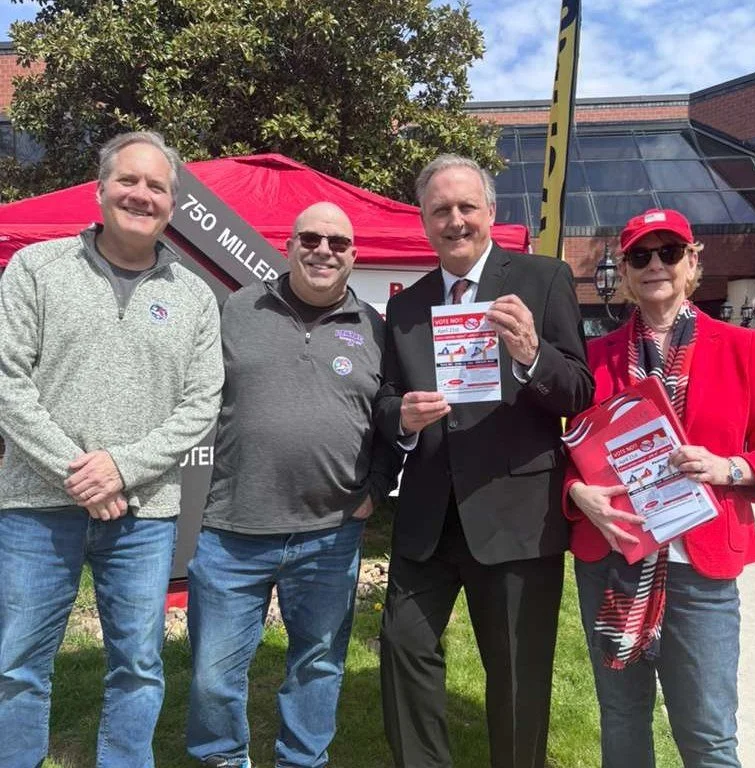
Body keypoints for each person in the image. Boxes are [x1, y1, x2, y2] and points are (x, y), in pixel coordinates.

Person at [0, 131, 224, 768]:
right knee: (18, 663)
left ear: (173, 203)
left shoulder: (195, 297)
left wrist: (120, 468)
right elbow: (5, 380)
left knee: (139, 665)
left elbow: (200, 405)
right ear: (100, 190)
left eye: (157, 186)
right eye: (129, 181)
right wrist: (78, 472)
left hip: (144, 513)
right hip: (35, 504)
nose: (141, 195)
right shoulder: (36, 269)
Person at [376, 154, 594, 768]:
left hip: (515, 512)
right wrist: (404, 418)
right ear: (424, 221)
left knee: (519, 673)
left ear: (491, 213)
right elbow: (386, 401)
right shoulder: (408, 306)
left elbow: (578, 389)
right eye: (440, 209)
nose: (455, 220)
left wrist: (531, 355)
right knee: (402, 644)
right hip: (428, 517)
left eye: (466, 206)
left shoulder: (543, 279)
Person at [186, 202, 400, 768]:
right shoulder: (239, 308)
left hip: (329, 537)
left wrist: (378, 486)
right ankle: (221, 759)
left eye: (338, 242)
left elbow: (389, 418)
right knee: (212, 672)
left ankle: (302, 761)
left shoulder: (374, 329)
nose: (323, 250)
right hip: (233, 529)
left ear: (354, 255)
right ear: (289, 245)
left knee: (319, 663)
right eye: (311, 238)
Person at [565, 208, 755, 767]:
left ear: (692, 262)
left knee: (706, 734)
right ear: (626, 272)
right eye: (640, 255)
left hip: (699, 567)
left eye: (669, 252)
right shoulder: (595, 356)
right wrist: (576, 492)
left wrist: (730, 467)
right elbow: (568, 446)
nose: (655, 264)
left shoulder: (741, 348)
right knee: (623, 718)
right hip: (612, 559)